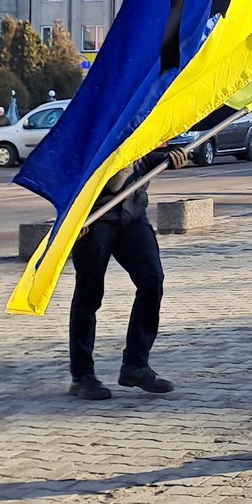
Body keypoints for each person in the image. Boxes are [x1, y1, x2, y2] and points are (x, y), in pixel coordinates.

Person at [66, 143, 190, 400]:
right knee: (88, 297)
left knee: (152, 281)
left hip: (132, 215)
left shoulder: (136, 121)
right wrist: (71, 216)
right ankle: (82, 376)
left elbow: (142, 158)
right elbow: (69, 171)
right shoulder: (95, 122)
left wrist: (168, 159)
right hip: (94, 220)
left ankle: (136, 365)